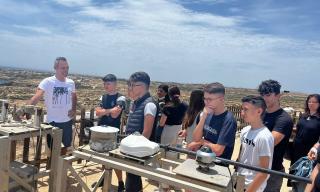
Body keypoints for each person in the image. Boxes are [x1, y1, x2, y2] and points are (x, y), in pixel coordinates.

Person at [27, 57, 77, 155]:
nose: (66, 70)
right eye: (63, 68)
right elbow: (37, 96)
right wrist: (27, 109)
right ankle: (53, 168)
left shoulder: (71, 82)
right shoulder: (48, 82)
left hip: (67, 121)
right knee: (53, 149)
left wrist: (74, 109)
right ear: (56, 68)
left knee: (65, 149)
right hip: (53, 122)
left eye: (67, 67)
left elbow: (74, 97)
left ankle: (60, 168)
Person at [125, 71, 159, 192]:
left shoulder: (149, 104)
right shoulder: (137, 102)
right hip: (131, 147)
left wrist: (135, 151)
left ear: (143, 86)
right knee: (132, 176)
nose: (130, 88)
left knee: (132, 178)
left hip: (136, 150)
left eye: (133, 85)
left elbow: (147, 132)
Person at [258, 79, 293, 192]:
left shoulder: (284, 119)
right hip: (254, 167)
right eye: (262, 95)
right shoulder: (260, 114)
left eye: (268, 95)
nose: (264, 98)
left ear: (278, 95)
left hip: (272, 172)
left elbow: (269, 143)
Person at [91, 74, 125, 191]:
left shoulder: (121, 98)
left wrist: (104, 111)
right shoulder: (103, 97)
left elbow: (116, 114)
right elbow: (97, 112)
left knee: (114, 159)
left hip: (113, 132)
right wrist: (110, 110)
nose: (106, 86)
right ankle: (103, 179)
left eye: (108, 83)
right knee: (102, 156)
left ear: (115, 84)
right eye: (104, 83)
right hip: (101, 130)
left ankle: (121, 182)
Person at [188, 82, 237, 161]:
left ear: (221, 99)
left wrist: (201, 142)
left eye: (210, 99)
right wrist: (203, 116)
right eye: (205, 99)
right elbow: (196, 138)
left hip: (218, 165)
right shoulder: (206, 113)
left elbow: (218, 151)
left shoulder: (228, 120)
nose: (206, 102)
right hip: (204, 159)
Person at [238, 95, 274, 192]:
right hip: (240, 182)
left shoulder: (265, 137)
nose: (242, 113)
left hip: (253, 187)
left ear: (259, 111)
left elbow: (264, 172)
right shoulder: (245, 131)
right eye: (242, 109)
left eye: (246, 110)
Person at [289, 94, 320, 190]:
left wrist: (315, 147)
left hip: (309, 153)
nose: (311, 104)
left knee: (304, 177)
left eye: (314, 102)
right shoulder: (304, 115)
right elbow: (298, 129)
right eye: (309, 101)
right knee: (294, 175)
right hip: (297, 151)